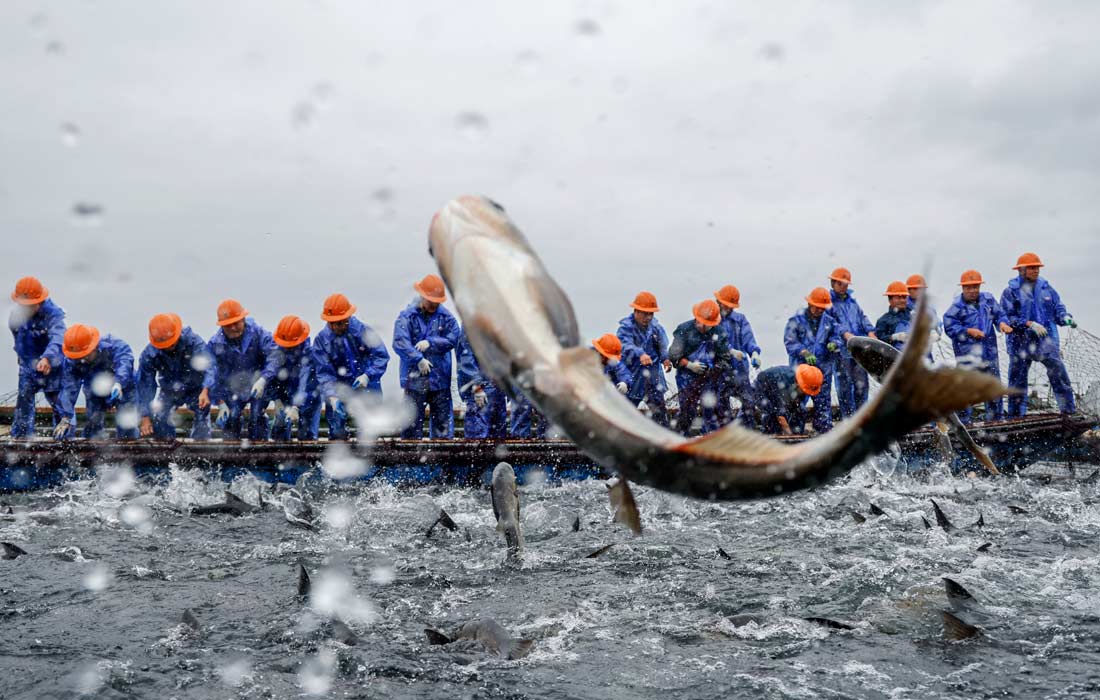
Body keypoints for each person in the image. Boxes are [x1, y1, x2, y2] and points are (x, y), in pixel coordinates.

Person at [1000, 252, 1077, 416]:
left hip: (1045, 340)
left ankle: (1069, 410)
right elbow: (1007, 317)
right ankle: (1016, 417)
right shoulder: (1010, 292)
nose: (1036, 271)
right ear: (1021, 270)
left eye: (1037, 268)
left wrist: (1066, 318)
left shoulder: (1047, 289)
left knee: (1058, 372)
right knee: (1017, 380)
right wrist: (1028, 323)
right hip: (1019, 341)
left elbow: (1058, 310)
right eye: (1032, 268)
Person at [312, 293, 390, 439]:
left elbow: (381, 356)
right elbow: (324, 373)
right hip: (339, 388)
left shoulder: (364, 332)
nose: (336, 326)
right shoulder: (321, 341)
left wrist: (368, 375)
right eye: (332, 322)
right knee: (336, 429)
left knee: (370, 431)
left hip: (366, 385)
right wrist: (333, 397)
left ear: (348, 318)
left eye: (340, 322)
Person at [392, 274, 461, 439]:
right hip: (414, 381)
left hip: (440, 381)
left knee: (442, 428)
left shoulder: (446, 317)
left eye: (437, 302)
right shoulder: (407, 317)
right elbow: (400, 343)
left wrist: (431, 342)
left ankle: (442, 461)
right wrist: (418, 359)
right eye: (431, 300)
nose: (434, 304)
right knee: (410, 426)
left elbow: (453, 337)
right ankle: (411, 461)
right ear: (422, 296)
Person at [943, 270, 1013, 423]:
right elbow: (949, 327)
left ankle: (995, 421)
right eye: (969, 287)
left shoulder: (987, 299)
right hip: (968, 355)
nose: (973, 290)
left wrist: (1002, 323)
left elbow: (999, 314)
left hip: (989, 352)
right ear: (963, 288)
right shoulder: (956, 307)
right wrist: (968, 331)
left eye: (975, 287)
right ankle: (964, 423)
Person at [206, 299, 279, 441]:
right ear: (221, 325)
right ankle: (230, 455)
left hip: (258, 385)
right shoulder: (215, 344)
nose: (233, 328)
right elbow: (212, 374)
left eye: (236, 323)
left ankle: (260, 450)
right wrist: (220, 401)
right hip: (232, 390)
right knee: (232, 417)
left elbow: (274, 356)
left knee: (257, 415)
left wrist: (264, 379)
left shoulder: (259, 333)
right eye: (228, 325)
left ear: (244, 319)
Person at [8, 277, 70, 440]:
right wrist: (21, 357)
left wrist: (48, 358)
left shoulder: (54, 315)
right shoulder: (16, 317)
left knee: (59, 404)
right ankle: (21, 438)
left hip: (53, 365)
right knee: (24, 398)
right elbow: (18, 338)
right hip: (29, 364)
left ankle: (63, 440)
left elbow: (59, 338)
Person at [136, 313, 216, 439]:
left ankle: (200, 449)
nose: (168, 348)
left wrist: (205, 390)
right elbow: (145, 385)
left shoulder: (194, 342)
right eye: (164, 346)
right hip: (169, 391)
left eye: (171, 344)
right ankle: (167, 450)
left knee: (202, 412)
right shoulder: (149, 354)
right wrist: (145, 416)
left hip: (196, 389)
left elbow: (210, 366)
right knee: (159, 416)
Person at [58, 324, 137, 439]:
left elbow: (125, 363)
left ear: (93, 347)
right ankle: (94, 454)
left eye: (83, 355)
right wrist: (66, 416)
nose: (81, 359)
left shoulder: (114, 345)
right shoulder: (71, 361)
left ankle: (131, 453)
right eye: (77, 356)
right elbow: (69, 388)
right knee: (93, 425)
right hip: (94, 390)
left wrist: (119, 383)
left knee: (127, 426)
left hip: (125, 388)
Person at [668, 300, 733, 435]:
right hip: (686, 377)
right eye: (700, 321)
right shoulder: (683, 330)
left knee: (710, 410)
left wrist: (714, 369)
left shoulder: (720, 333)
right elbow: (673, 355)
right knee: (687, 411)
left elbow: (725, 359)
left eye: (707, 325)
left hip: (709, 377)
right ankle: (681, 439)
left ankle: (711, 439)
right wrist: (689, 365)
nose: (702, 326)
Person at [783, 287, 842, 433]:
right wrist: (803, 352)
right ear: (810, 303)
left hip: (822, 372)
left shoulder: (830, 322)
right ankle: (795, 433)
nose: (820, 310)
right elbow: (790, 341)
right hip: (800, 373)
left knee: (823, 404)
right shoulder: (795, 321)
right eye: (817, 307)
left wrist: (835, 343)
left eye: (822, 308)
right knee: (796, 404)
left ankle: (824, 432)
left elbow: (838, 337)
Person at [616, 291, 672, 426]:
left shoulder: (656, 328)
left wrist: (665, 359)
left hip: (652, 377)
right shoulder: (625, 328)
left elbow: (662, 345)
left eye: (651, 313)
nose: (648, 317)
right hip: (632, 376)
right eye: (645, 313)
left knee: (659, 412)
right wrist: (640, 354)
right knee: (626, 411)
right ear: (636, 311)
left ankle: (663, 439)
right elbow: (625, 345)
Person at [826, 268, 875, 418]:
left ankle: (861, 419)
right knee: (845, 386)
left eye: (846, 284)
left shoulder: (853, 302)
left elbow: (862, 318)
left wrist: (871, 332)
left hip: (858, 350)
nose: (844, 287)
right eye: (840, 284)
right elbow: (831, 323)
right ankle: (849, 420)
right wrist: (845, 334)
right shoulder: (828, 302)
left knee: (861, 385)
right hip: (841, 351)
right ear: (833, 283)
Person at [711, 284, 761, 429]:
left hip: (739, 371)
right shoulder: (712, 320)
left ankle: (743, 430)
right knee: (720, 405)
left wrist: (754, 352)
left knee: (749, 402)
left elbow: (748, 338)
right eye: (725, 304)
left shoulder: (740, 320)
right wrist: (730, 351)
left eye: (731, 305)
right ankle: (725, 433)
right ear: (718, 302)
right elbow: (713, 343)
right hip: (719, 371)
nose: (728, 308)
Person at [268, 315, 322, 440]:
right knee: (279, 430)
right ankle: (278, 457)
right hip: (285, 397)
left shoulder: (310, 357)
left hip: (309, 399)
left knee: (308, 436)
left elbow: (307, 384)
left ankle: (309, 458)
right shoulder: (276, 353)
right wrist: (276, 399)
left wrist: (296, 406)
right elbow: (271, 378)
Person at [456, 332, 507, 439]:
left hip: (498, 386)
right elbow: (466, 358)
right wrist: (476, 385)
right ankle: (477, 455)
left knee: (498, 436)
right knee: (477, 435)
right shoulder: (471, 323)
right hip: (480, 387)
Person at [753, 364, 824, 435]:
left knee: (801, 410)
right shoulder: (783, 382)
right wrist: (789, 434)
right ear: (799, 383)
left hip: (779, 390)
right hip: (762, 390)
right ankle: (770, 436)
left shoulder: (803, 382)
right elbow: (780, 412)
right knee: (772, 414)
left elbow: (797, 405)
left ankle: (797, 433)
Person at [905, 274, 944, 354]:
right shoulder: (903, 306)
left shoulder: (929, 307)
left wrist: (937, 332)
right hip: (908, 347)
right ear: (908, 290)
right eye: (915, 289)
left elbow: (937, 323)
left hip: (926, 348)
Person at [874, 281, 914, 351]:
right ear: (890, 300)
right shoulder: (883, 321)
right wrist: (893, 337)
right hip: (894, 357)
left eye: (904, 297)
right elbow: (878, 341)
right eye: (898, 297)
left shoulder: (914, 316)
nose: (902, 300)